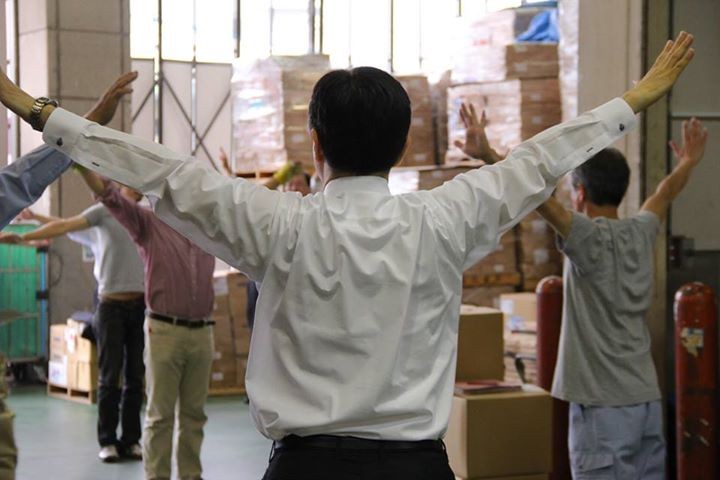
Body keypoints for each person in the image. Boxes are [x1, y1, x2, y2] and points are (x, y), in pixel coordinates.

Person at [0, 32, 695, 479]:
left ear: (315, 143)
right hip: (416, 468)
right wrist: (632, 99)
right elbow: (538, 161)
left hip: (306, 469)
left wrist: (34, 108)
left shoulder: (275, 223)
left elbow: (163, 171)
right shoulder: (445, 218)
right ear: (401, 146)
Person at [457, 90, 709, 479]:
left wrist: (489, 155)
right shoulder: (641, 231)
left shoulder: (587, 238)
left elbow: (536, 196)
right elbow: (664, 193)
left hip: (603, 411)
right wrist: (690, 160)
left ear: (580, 193)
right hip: (646, 402)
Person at [0, 71, 138, 477]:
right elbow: (48, 204)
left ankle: (128, 438)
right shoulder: (106, 211)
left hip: (137, 307)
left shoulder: (144, 217)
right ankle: (109, 440)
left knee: (133, 377)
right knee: (112, 377)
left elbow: (21, 180)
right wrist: (86, 125)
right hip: (111, 305)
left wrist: (85, 124)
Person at [72, 163, 215, 480]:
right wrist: (81, 165)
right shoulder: (148, 223)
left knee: (194, 416)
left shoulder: (207, 229)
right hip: (164, 330)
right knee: (160, 415)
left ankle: (191, 475)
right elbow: (110, 197)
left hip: (203, 331)